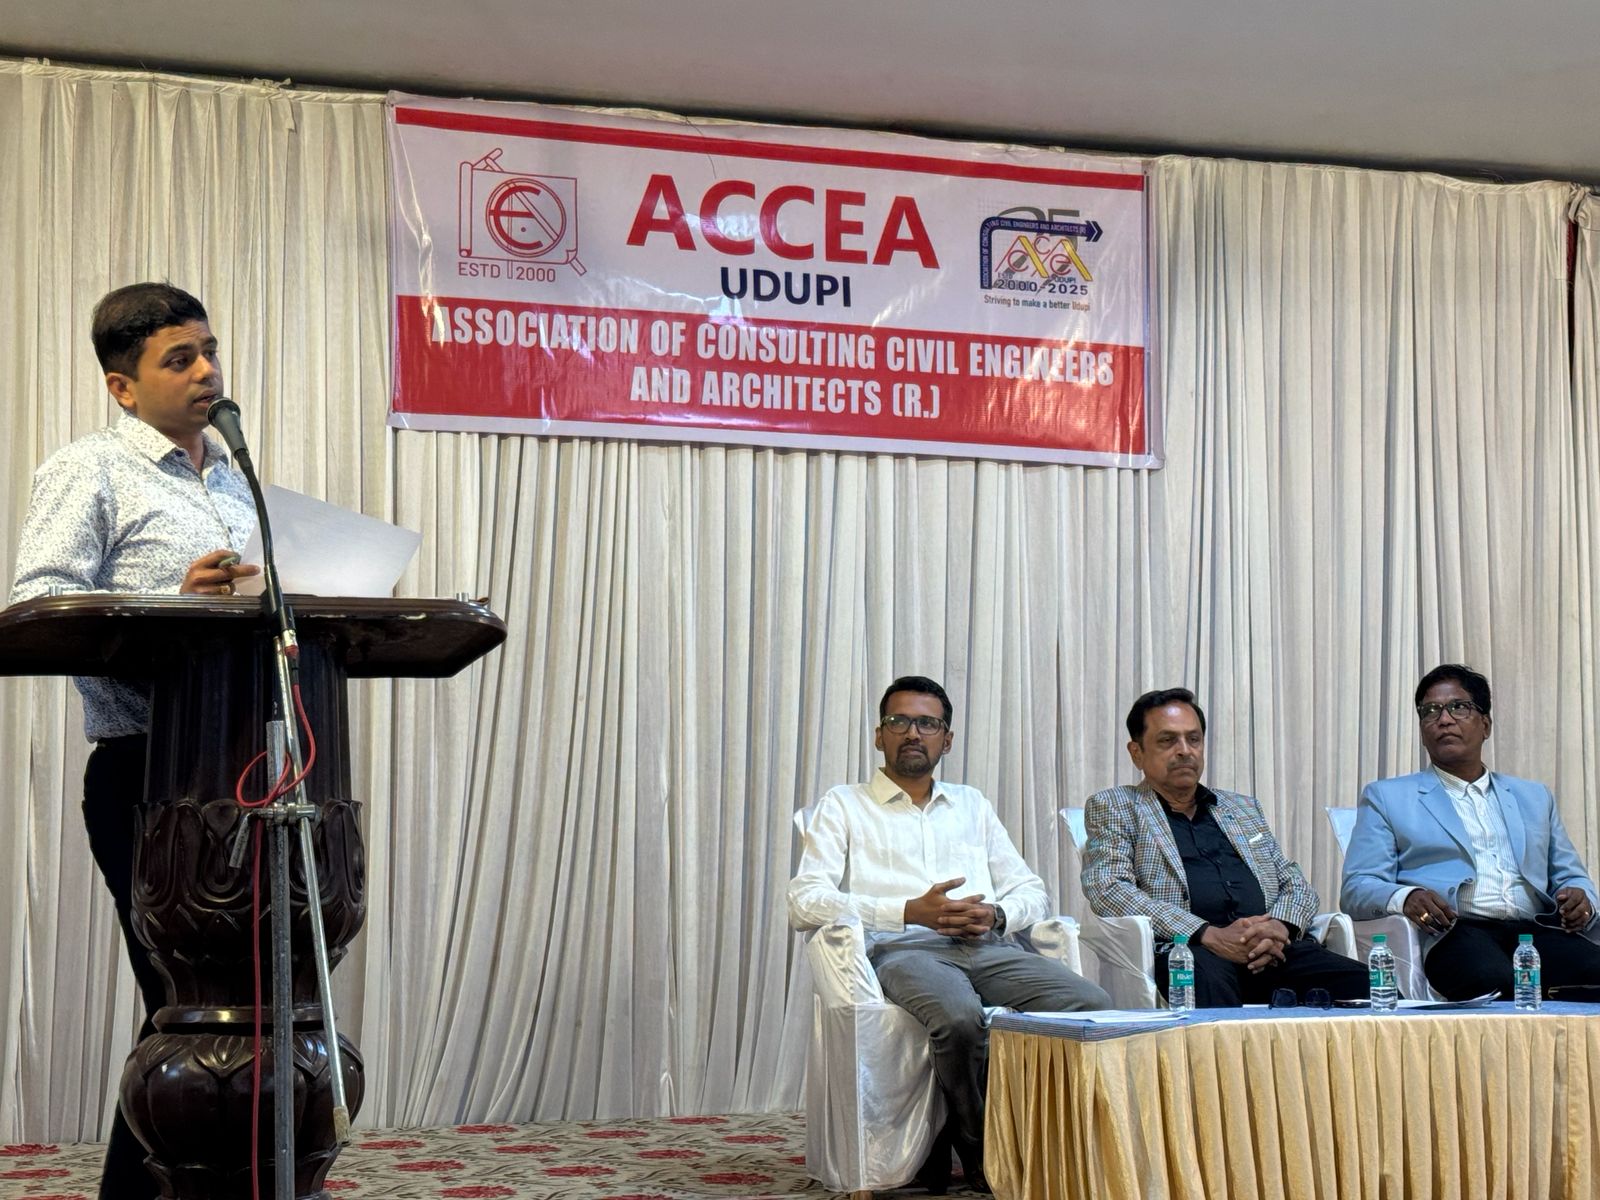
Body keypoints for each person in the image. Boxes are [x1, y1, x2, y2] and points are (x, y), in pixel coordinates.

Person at [9, 282, 260, 1200]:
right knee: (185, 1010)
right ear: (122, 386)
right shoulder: (91, 470)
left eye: (210, 351)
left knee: (244, 1013)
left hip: (252, 775)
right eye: (179, 359)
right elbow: (39, 604)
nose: (207, 372)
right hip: (150, 773)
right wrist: (172, 604)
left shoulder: (233, 476)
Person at [789, 675, 1109, 1194]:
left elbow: (1030, 889)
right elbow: (804, 899)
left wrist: (996, 915)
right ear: (879, 735)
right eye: (899, 721)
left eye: (927, 723)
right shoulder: (844, 804)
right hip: (904, 950)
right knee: (958, 1018)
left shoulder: (971, 804)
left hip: (987, 946)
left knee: (1091, 1005)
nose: (913, 733)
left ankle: (1054, 1142)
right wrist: (907, 911)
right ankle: (977, 1143)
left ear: (947, 739)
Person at [1080, 688, 1368, 1006]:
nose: (1184, 751)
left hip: (1270, 950)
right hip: (1191, 952)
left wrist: (1279, 926)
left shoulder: (1241, 808)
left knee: (1373, 987)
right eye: (1167, 740)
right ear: (1137, 753)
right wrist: (1206, 933)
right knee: (1210, 985)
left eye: (1194, 739)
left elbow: (1294, 882)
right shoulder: (1116, 806)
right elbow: (1109, 890)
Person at [1340, 663, 1600, 1000]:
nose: (1444, 719)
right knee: (1492, 979)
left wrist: (1581, 900)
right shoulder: (1388, 797)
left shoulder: (1534, 797)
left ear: (1485, 725)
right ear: (1422, 729)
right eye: (1430, 711)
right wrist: (1406, 897)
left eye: (1458, 707)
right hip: (1455, 931)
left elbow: (1572, 876)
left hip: (1534, 931)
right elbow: (1357, 887)